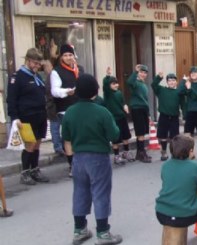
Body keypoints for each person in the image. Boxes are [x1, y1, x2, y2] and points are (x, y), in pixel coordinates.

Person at [62, 74, 122, 245]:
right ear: (95, 92)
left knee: (80, 192)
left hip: (78, 157)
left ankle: (79, 229)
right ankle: (103, 233)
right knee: (101, 192)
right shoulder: (102, 112)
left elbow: (66, 137)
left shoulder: (70, 112)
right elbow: (114, 134)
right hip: (98, 156)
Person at [7, 48, 50, 185]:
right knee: (29, 144)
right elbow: (12, 99)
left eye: (39, 64)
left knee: (37, 143)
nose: (37, 66)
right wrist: (14, 117)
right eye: (35, 63)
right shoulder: (17, 76)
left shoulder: (36, 76)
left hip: (40, 114)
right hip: (26, 115)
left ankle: (35, 169)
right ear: (28, 60)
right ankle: (25, 172)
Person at [51, 44, 84, 176]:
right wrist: (67, 91)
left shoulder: (79, 70)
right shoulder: (56, 71)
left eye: (70, 55)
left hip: (80, 106)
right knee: (68, 138)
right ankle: (72, 165)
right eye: (65, 55)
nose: (68, 57)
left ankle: (80, 162)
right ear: (61, 57)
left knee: (79, 136)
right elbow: (54, 90)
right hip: (65, 108)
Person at [103, 67, 134, 165]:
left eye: (116, 83)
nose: (116, 85)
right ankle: (116, 155)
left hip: (122, 117)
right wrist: (107, 75)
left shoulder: (119, 93)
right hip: (113, 119)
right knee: (115, 138)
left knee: (126, 136)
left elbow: (122, 102)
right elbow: (105, 85)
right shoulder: (108, 94)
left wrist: (125, 106)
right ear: (109, 86)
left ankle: (126, 152)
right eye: (113, 83)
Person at [152, 72, 186, 161]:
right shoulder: (161, 90)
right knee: (163, 136)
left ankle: (174, 153)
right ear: (167, 82)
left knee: (174, 137)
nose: (171, 82)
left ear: (176, 82)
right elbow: (153, 84)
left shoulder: (179, 92)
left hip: (174, 117)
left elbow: (183, 105)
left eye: (173, 80)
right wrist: (159, 77)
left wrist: (185, 116)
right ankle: (163, 151)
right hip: (164, 116)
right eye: (169, 80)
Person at [127, 64, 152, 163]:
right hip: (136, 108)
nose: (143, 74)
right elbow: (129, 82)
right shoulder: (135, 83)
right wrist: (135, 72)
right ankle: (141, 154)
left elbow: (145, 99)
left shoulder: (143, 84)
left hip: (143, 108)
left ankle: (140, 152)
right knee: (140, 132)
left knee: (143, 132)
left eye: (145, 73)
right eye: (141, 72)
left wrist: (148, 112)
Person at [180, 67, 197, 159]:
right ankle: (189, 152)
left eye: (195, 73)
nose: (193, 74)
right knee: (187, 134)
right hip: (190, 112)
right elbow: (179, 92)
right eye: (191, 73)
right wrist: (184, 81)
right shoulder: (188, 83)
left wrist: (189, 88)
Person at [43, 59, 64, 155]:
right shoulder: (53, 76)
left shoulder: (51, 76)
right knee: (56, 127)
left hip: (54, 106)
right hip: (54, 106)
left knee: (56, 127)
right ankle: (59, 147)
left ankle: (59, 146)